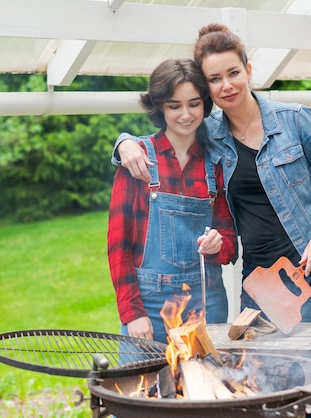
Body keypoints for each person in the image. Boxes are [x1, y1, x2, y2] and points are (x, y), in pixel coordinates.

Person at [113, 24, 311, 415]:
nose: (226, 85)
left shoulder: (297, 120)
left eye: (232, 73)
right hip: (258, 285)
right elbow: (165, 126)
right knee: (258, 385)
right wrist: (123, 142)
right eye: (214, 79)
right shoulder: (209, 134)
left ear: (248, 70)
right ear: (205, 87)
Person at [107, 58, 237, 345]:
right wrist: (131, 313)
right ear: (159, 108)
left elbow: (229, 245)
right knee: (142, 388)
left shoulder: (215, 163)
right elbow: (118, 247)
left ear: (205, 103)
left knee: (206, 387)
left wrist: (218, 245)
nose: (185, 114)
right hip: (149, 307)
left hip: (207, 302)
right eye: (174, 106)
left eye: (194, 103)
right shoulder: (136, 161)